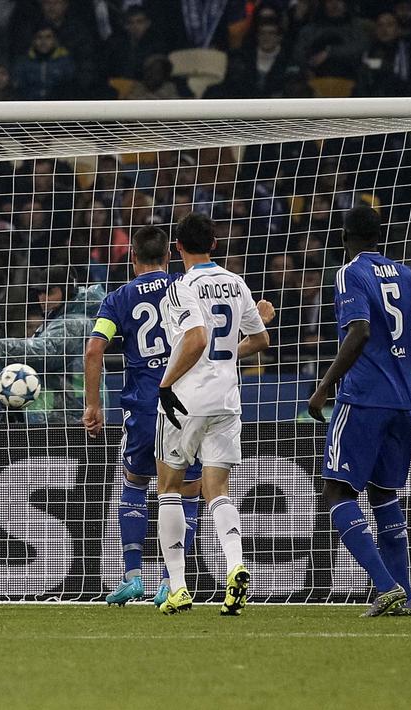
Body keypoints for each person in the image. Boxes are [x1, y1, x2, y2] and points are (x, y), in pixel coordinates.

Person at [85, 226, 274, 606]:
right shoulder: (188, 281)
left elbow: (94, 350)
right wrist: (256, 319)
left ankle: (134, 575)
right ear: (169, 256)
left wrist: (93, 405)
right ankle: (172, 580)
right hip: (209, 398)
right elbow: (218, 333)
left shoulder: (119, 299)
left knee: (137, 481)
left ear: (133, 258)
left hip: (150, 402)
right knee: (197, 491)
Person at [307, 206, 411, 617]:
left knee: (337, 490)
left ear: (344, 235)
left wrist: (324, 386)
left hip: (362, 399)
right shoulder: (405, 273)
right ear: (379, 235)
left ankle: (385, 585)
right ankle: (406, 596)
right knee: (385, 494)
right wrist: (405, 347)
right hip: (401, 402)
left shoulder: (349, 273)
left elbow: (361, 330)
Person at [154, 213, 270, 616]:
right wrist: (222, 361)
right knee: (216, 490)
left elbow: (196, 338)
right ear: (215, 245)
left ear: (177, 249)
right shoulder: (237, 283)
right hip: (226, 399)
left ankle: (179, 587)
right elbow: (260, 339)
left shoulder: (180, 287)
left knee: (168, 487)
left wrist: (166, 384)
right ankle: (236, 565)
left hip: (184, 400)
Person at [0, 266, 104, 425]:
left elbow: (44, 351)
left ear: (67, 291)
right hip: (60, 413)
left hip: (73, 414)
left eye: (49, 292)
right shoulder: (54, 322)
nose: (43, 299)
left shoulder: (75, 323)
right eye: (40, 293)